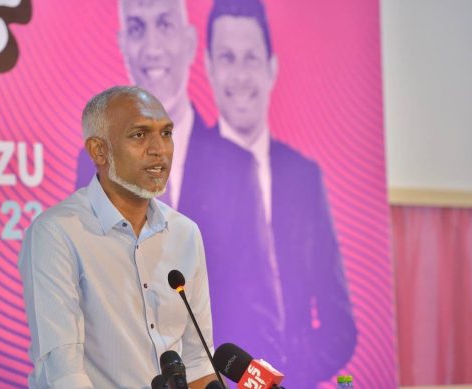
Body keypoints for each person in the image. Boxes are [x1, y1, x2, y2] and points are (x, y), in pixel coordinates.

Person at [75, 0, 269, 344]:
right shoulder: (96, 160)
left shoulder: (238, 167)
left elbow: (260, 309)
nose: (152, 48)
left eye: (164, 25)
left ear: (190, 43)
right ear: (122, 45)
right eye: (137, 29)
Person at [19, 86, 217, 388]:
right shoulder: (57, 233)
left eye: (166, 134)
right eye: (139, 135)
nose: (159, 150)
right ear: (99, 150)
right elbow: (64, 373)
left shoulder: (184, 233)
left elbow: (198, 360)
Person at [205, 0, 358, 388]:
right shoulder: (186, 167)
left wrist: (276, 380)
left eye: (251, 58)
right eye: (227, 57)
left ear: (272, 69)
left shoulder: (304, 177)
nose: (239, 76)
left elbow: (339, 323)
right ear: (208, 66)